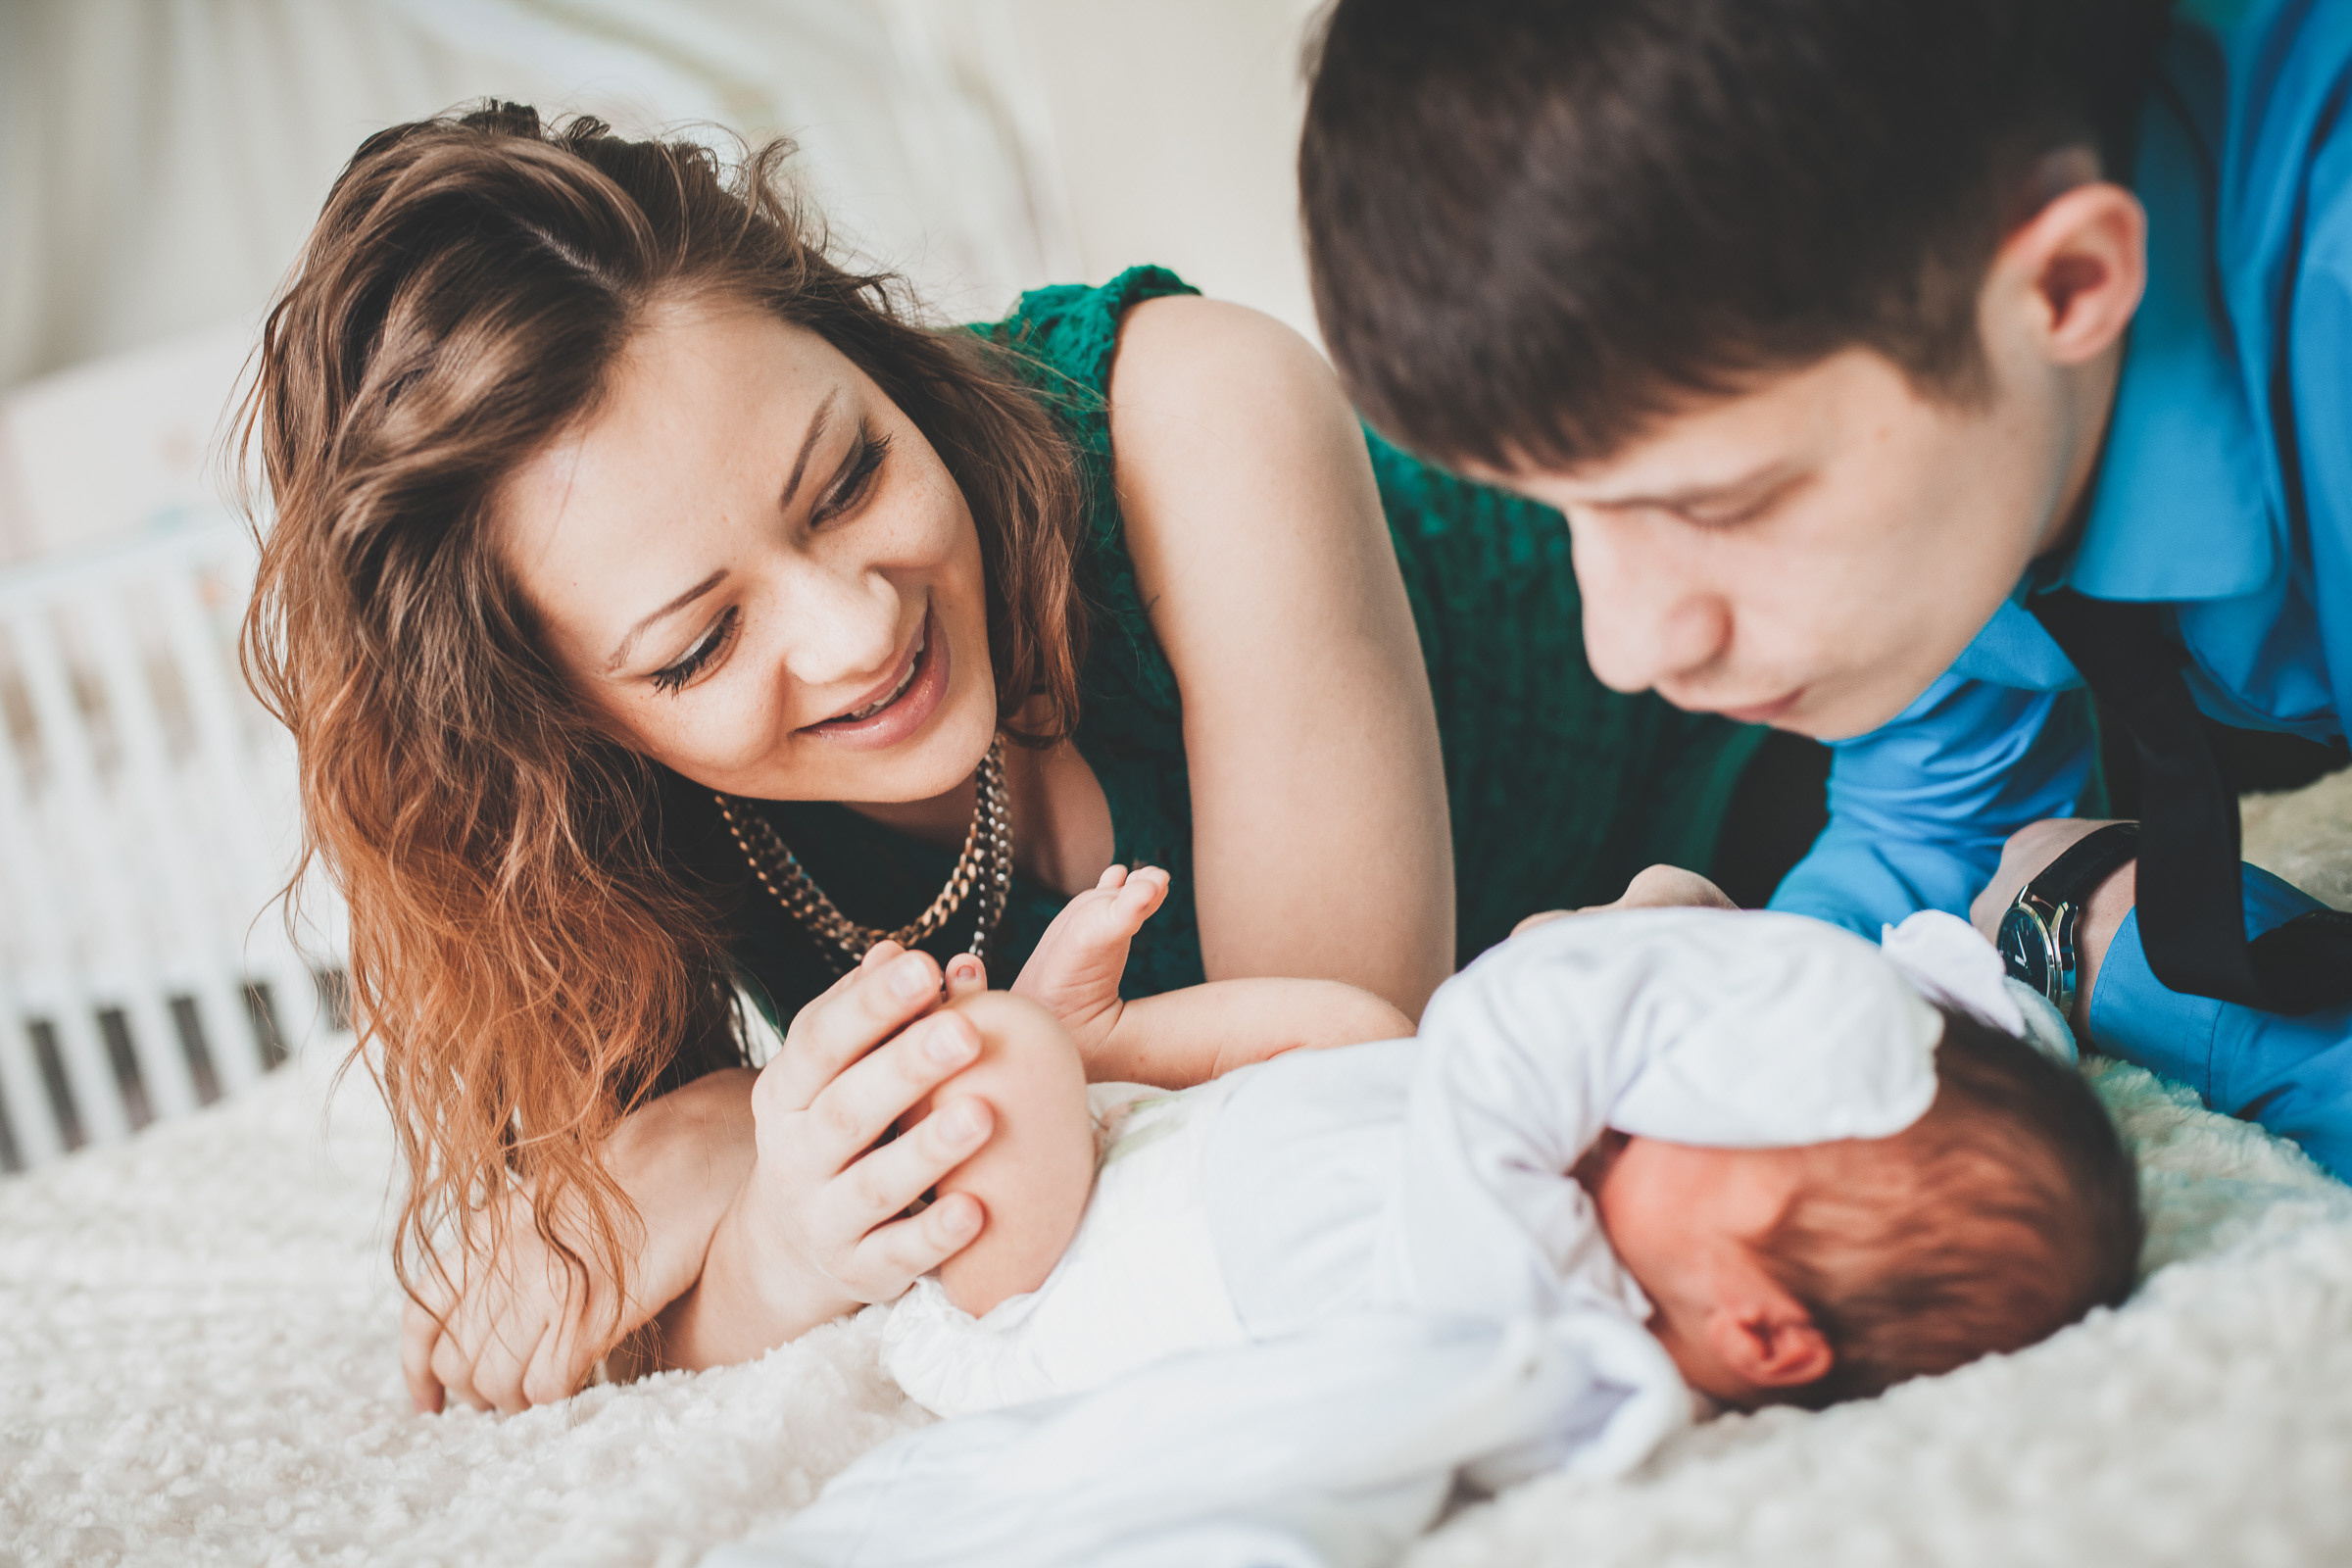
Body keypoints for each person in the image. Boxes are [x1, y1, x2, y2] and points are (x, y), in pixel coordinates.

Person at [240, 103, 1773, 1415]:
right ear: (559, 731)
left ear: (873, 353)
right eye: (699, 648)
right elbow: (640, 1310)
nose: (852, 632)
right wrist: (780, 1233)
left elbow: (1335, 1087)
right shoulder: (591, 828)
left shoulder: (1195, 408)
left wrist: (768, 1130)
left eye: (846, 479)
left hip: (1771, 800)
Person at [1298, 0, 2352, 1177]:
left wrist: (2122, 954)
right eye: (1565, 507)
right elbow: (1939, 829)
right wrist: (1743, 974)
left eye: (1721, 504)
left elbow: (2021, 887)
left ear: (2065, 283)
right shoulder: (1946, 373)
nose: (1628, 645)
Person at [713, 897, 2140, 1567]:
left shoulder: (1525, 1312)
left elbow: (1517, 1018)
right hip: (1219, 1147)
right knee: (1357, 1028)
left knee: (995, 1057)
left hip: (1041, 1275)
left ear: (1761, 1333)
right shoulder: (1586, 1214)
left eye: (1687, 1124)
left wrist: (1634, 948)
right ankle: (1115, 1054)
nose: (1639, 1102)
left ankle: (1065, 1063)